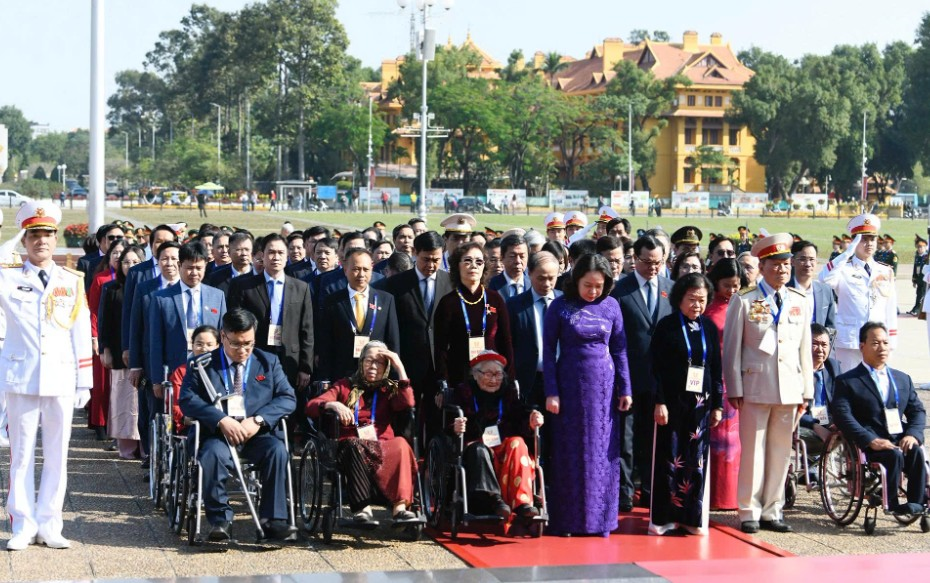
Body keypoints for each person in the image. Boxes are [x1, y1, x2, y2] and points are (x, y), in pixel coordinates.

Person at [1, 201, 92, 551]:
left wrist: (85, 380)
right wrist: (9, 241)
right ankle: (22, 524)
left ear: (56, 240)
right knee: (21, 456)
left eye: (48, 235)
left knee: (57, 455)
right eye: (34, 235)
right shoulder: (7, 277)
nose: (41, 241)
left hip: (60, 377)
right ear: (24, 240)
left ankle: (51, 523)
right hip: (21, 376)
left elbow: (80, 332)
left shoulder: (71, 281)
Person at [178, 309, 297, 541]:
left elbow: (287, 398)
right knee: (212, 455)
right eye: (236, 344)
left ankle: (273, 520)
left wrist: (259, 420)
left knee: (278, 451)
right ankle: (220, 519)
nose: (242, 350)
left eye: (248, 343)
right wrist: (220, 419)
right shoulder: (202, 364)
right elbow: (188, 399)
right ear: (223, 336)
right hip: (218, 435)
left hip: (256, 434)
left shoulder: (268, 362)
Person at [723, 233, 813, 534]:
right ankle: (749, 509)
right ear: (762, 267)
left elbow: (804, 349)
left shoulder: (799, 300)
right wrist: (734, 387)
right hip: (755, 385)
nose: (782, 270)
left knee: (781, 452)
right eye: (775, 264)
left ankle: (773, 509)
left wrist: (807, 390)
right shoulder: (745, 300)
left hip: (789, 387)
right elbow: (732, 348)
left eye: (786, 264)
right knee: (753, 451)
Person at [543, 254, 631, 537]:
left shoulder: (612, 306)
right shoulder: (559, 306)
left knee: (601, 452)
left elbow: (619, 349)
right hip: (570, 386)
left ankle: (601, 521)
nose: (593, 291)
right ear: (576, 280)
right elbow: (548, 352)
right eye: (587, 285)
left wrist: (625, 388)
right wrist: (551, 392)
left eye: (598, 286)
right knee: (571, 451)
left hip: (604, 390)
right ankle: (568, 521)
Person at [306, 342, 419, 523]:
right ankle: (363, 510)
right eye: (369, 361)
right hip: (350, 447)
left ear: (386, 367)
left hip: (382, 446)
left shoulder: (388, 389)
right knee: (353, 444)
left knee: (401, 444)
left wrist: (399, 366)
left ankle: (400, 509)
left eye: (380, 363)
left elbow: (408, 403)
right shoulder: (345, 385)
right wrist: (333, 404)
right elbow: (311, 406)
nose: (373, 366)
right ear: (361, 362)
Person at [648, 273, 723, 535]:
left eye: (702, 300)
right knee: (669, 458)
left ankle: (692, 518)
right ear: (679, 298)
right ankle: (663, 519)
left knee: (696, 461)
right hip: (672, 403)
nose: (697, 305)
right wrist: (659, 401)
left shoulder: (708, 327)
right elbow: (654, 367)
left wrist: (718, 404)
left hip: (700, 405)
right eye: (691, 299)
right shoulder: (667, 326)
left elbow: (716, 368)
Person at [831, 322, 927, 515]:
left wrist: (913, 434)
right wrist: (870, 440)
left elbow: (917, 411)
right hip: (868, 442)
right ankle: (891, 504)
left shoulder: (902, 379)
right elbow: (842, 415)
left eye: (885, 343)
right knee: (893, 455)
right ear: (862, 346)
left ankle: (917, 503)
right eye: (875, 343)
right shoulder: (847, 381)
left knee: (916, 451)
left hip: (898, 436)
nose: (882, 348)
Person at [450, 351, 544, 534]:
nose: (494, 379)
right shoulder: (463, 393)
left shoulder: (509, 393)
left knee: (518, 442)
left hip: (503, 446)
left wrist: (532, 421)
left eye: (498, 374)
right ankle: (496, 501)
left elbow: (521, 417)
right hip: (476, 444)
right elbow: (448, 424)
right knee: (479, 450)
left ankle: (522, 503)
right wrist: (456, 426)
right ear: (475, 375)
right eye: (488, 374)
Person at [611, 235, 673, 510]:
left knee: (653, 438)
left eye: (658, 262)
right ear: (634, 259)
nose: (652, 268)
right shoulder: (619, 291)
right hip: (627, 376)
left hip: (659, 378)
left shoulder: (671, 289)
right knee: (625, 439)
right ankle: (624, 492)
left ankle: (649, 490)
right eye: (647, 262)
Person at [380, 231, 453, 433]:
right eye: (426, 259)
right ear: (415, 253)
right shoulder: (396, 284)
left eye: (436, 260)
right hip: (407, 364)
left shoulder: (451, 283)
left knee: (437, 422)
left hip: (439, 366)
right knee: (405, 421)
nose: (431, 265)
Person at [226, 234, 313, 394]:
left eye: (280, 253)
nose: (276, 257)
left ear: (287, 256)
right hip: (255, 355)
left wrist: (305, 367)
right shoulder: (244, 286)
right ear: (262, 255)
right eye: (271, 252)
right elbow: (235, 324)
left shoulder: (301, 288)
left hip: (290, 358)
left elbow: (307, 330)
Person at [818, 214, 897, 372]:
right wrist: (846, 253)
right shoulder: (843, 268)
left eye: (872, 239)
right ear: (854, 242)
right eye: (863, 239)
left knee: (874, 383)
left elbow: (890, 307)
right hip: (850, 341)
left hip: (877, 340)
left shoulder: (885, 270)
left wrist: (891, 341)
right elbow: (824, 280)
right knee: (847, 382)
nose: (869, 244)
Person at [148, 242, 227, 389]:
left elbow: (223, 337)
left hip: (210, 370)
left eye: (199, 268)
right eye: (189, 268)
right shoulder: (161, 298)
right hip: (174, 371)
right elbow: (155, 341)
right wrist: (157, 379)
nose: (194, 273)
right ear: (179, 265)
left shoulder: (217, 296)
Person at [434, 242, 514, 389]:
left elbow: (506, 341)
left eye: (479, 261)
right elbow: (440, 348)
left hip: (492, 376)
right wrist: (443, 380)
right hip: (458, 376)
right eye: (467, 260)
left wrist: (510, 378)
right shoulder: (448, 302)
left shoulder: (495, 299)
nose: (473, 266)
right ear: (457, 265)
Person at [704, 259, 747, 510]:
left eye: (736, 285)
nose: (731, 290)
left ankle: (733, 495)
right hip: (716, 379)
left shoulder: (745, 304)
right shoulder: (709, 309)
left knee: (736, 441)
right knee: (717, 438)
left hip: (740, 379)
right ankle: (715, 494)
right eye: (727, 285)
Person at [318, 248, 399, 381]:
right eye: (356, 269)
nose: (361, 274)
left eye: (365, 269)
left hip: (376, 374)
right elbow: (325, 343)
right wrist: (325, 378)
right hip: (342, 376)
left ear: (371, 270)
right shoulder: (332, 301)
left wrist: (393, 378)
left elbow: (392, 341)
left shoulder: (386, 300)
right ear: (345, 270)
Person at [98, 245, 146, 459]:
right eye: (126, 262)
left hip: (142, 354)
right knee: (123, 401)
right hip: (119, 353)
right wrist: (105, 349)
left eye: (135, 262)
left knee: (142, 403)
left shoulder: (148, 287)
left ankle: (145, 446)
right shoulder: (111, 288)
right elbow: (104, 321)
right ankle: (126, 446)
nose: (130, 266)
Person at [506, 251, 562, 408]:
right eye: (541, 278)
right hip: (528, 382)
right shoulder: (514, 306)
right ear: (529, 273)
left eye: (551, 278)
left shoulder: (566, 302)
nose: (547, 284)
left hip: (561, 380)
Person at [88, 238, 127, 441]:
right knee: (102, 384)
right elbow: (94, 310)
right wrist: (95, 337)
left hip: (124, 339)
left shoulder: (134, 280)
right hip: (104, 338)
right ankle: (101, 423)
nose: (118, 257)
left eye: (122, 253)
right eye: (115, 253)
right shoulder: (101, 279)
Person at [797, 323, 839, 478]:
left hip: (829, 421)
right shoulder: (796, 370)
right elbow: (791, 408)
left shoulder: (833, 367)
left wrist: (839, 421)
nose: (820, 350)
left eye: (824, 345)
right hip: (802, 422)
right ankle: (810, 464)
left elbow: (841, 399)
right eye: (814, 344)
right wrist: (814, 425)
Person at [167, 325, 219, 431]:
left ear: (217, 346)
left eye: (209, 345)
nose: (204, 348)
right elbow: (175, 404)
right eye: (199, 344)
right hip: (192, 424)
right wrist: (185, 418)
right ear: (192, 345)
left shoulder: (223, 370)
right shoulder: (181, 371)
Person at [789, 241, 836, 328]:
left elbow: (831, 326)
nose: (808, 264)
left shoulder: (826, 291)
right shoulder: (783, 290)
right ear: (792, 261)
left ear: (816, 261)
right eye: (802, 259)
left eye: (811, 259)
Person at [488, 234, 530, 300]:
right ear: (502, 257)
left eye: (522, 256)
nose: (518, 261)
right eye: (512, 256)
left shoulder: (534, 284)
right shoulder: (493, 285)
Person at [909, 235, 927, 316]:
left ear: (925, 247)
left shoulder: (927, 257)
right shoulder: (917, 257)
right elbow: (915, 269)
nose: (919, 249)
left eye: (921, 247)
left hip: (925, 280)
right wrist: (914, 280)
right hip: (919, 280)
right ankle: (916, 308)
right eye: (918, 247)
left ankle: (917, 309)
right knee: (918, 294)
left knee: (921, 295)